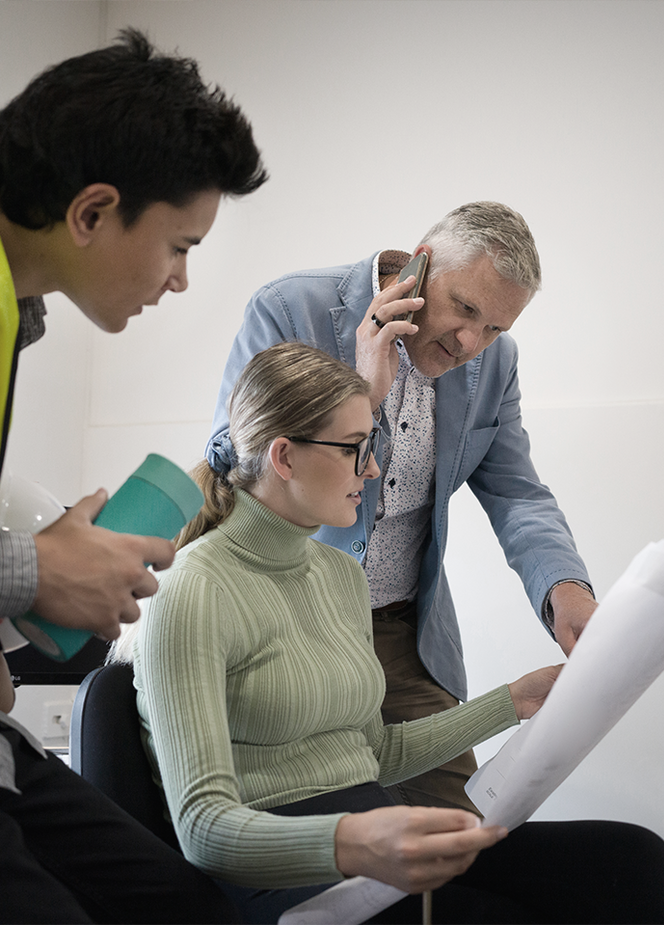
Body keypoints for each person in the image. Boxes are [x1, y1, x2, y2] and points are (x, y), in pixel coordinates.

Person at [123, 341, 664, 924]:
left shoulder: (340, 577)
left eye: (371, 445)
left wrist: (515, 700)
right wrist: (357, 841)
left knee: (633, 860)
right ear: (284, 457)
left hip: (369, 838)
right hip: (286, 875)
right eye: (355, 449)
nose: (373, 469)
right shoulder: (191, 589)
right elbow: (203, 830)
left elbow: (376, 753)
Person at [0, 28, 267, 923]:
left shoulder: (17, 313)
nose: (182, 279)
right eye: (179, 245)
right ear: (91, 212)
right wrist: (36, 570)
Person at [207, 201, 597, 812]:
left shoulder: (494, 363)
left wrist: (565, 588)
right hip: (285, 630)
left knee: (460, 835)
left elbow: (516, 489)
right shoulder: (290, 309)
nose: (472, 343)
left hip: (402, 634)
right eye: (465, 308)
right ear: (418, 267)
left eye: (496, 327)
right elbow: (230, 459)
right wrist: (357, 390)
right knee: (326, 827)